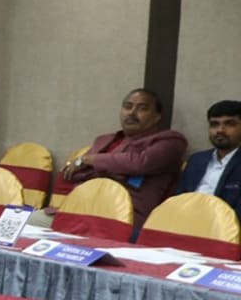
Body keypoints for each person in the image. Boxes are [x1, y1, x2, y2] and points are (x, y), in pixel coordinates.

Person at [62, 88, 187, 231]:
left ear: (157, 117)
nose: (132, 113)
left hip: (125, 217)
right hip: (82, 209)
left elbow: (140, 163)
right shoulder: (103, 140)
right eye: (127, 107)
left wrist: (90, 161)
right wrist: (118, 170)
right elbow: (74, 174)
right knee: (40, 220)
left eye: (142, 108)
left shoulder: (171, 141)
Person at [175, 100, 241, 217]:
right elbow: (179, 199)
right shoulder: (196, 160)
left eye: (229, 124)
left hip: (225, 224)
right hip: (186, 220)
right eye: (214, 124)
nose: (220, 130)